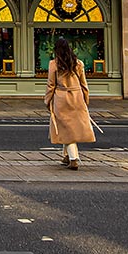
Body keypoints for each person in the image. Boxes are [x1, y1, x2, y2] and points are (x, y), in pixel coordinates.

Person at [45, 36, 95, 170]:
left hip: (61, 98)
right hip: (77, 97)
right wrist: (85, 100)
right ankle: (66, 156)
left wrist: (47, 100)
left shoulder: (53, 64)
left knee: (65, 127)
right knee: (70, 127)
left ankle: (73, 159)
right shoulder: (78, 64)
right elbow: (84, 84)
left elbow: (51, 85)